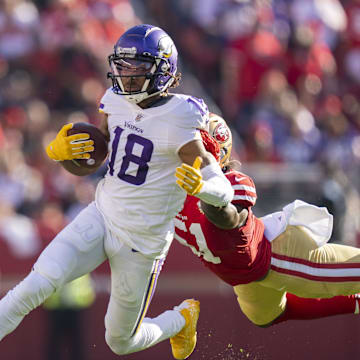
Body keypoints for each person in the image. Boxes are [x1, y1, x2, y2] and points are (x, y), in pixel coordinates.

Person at [0, 25, 234, 360]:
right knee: (35, 285)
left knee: (120, 341)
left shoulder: (180, 117)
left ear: (162, 70)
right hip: (102, 215)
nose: (126, 75)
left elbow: (222, 190)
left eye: (137, 67)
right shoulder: (115, 101)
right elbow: (101, 152)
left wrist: (205, 188)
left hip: (142, 242)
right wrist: (64, 155)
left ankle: (179, 319)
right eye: (122, 65)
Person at [174, 113, 360, 328]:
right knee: (265, 316)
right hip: (248, 276)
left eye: (192, 146)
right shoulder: (168, 191)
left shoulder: (232, 182)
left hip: (279, 252)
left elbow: (228, 219)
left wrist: (207, 192)